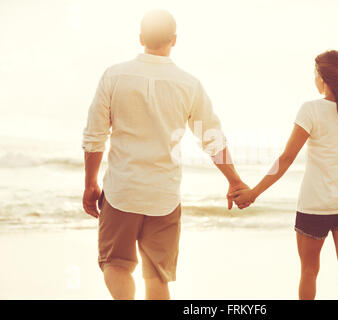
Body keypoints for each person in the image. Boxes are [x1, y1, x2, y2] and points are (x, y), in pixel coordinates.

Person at [81, 9, 249, 300]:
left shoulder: (114, 75)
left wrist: (90, 183)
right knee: (157, 275)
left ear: (141, 38)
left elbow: (95, 136)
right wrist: (234, 180)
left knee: (115, 265)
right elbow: (211, 138)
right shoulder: (188, 84)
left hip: (122, 191)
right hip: (164, 195)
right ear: (174, 39)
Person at [230, 50, 338, 300]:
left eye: (315, 74)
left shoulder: (311, 110)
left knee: (308, 272)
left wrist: (254, 192)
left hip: (314, 206)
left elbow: (285, 159)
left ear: (323, 77)